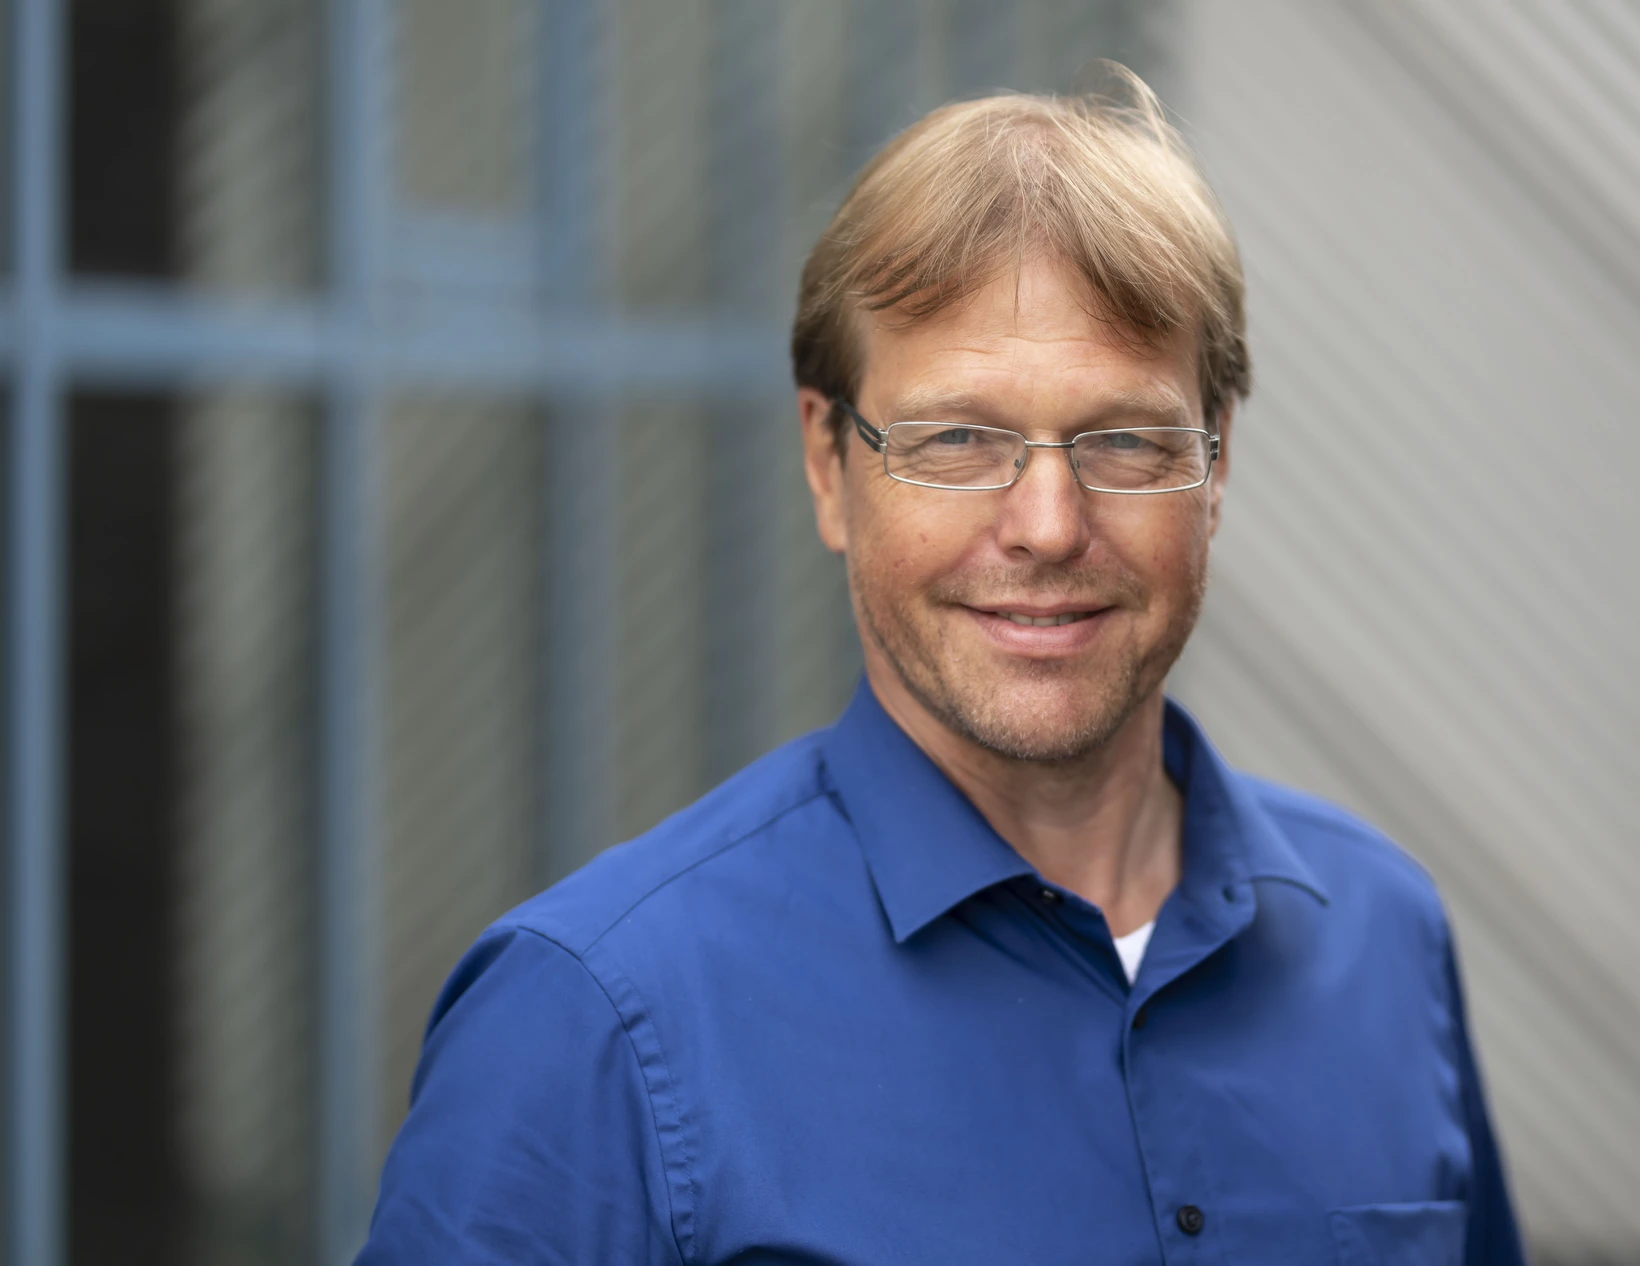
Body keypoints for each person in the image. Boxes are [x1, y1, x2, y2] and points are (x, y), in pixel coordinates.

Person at [356, 64, 1524, 1266]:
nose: (1047, 525)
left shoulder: (1381, 934)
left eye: (1123, 438)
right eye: (957, 439)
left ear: (1215, 469)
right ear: (827, 462)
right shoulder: (590, 1022)